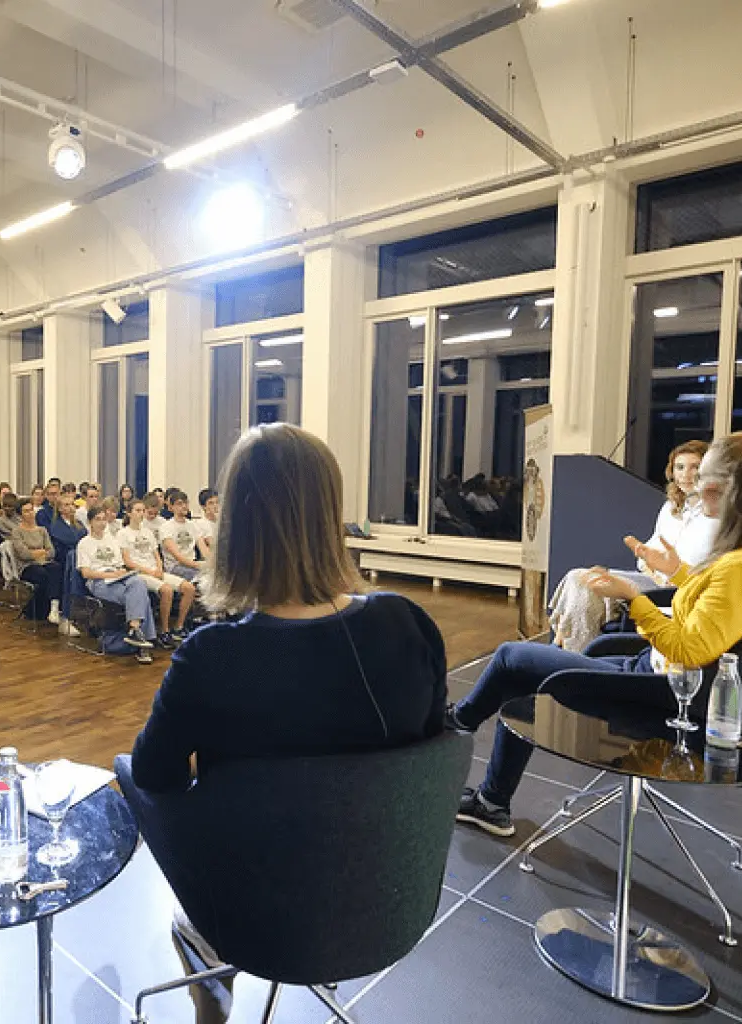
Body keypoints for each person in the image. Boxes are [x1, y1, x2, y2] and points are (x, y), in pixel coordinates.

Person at [129, 425, 446, 1024]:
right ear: (331, 513)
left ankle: (208, 974)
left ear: (239, 529)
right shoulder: (407, 626)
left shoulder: (212, 657)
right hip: (387, 903)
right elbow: (432, 747)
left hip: (253, 920)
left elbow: (154, 778)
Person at [452, 432, 742, 838]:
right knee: (533, 673)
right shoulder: (736, 560)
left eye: (706, 474)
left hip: (664, 690)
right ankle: (491, 800)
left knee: (511, 658)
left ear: (729, 488)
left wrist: (632, 598)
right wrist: (678, 573)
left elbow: (690, 649)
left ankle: (456, 727)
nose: (698, 485)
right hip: (653, 669)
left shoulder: (739, 568)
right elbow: (708, 616)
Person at [548, 440, 716, 651]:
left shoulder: (714, 516)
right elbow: (649, 552)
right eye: (680, 467)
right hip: (650, 577)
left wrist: (666, 570)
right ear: (671, 472)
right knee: (579, 576)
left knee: (590, 588)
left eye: (694, 467)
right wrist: (647, 561)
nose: (686, 474)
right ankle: (569, 643)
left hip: (675, 587)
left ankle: (571, 650)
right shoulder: (669, 508)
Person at [76, 507, 155, 664]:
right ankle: (143, 640)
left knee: (138, 582)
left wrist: (120, 573)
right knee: (139, 595)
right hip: (99, 581)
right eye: (98, 519)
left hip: (117, 578)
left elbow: (119, 564)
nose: (102, 523)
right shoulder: (84, 543)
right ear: (90, 522)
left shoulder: (111, 540)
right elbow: (86, 573)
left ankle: (135, 630)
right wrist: (109, 575)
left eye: (104, 519)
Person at [118, 499, 187, 647]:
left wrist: (159, 567)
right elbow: (127, 561)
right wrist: (149, 571)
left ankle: (178, 627)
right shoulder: (123, 533)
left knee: (188, 588)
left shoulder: (148, 532)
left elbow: (156, 554)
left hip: (155, 570)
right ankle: (164, 630)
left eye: (142, 510)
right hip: (139, 572)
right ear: (129, 513)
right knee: (167, 590)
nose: (141, 514)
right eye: (137, 510)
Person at [8, 497, 64, 624]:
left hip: (45, 563)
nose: (30, 513)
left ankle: (54, 608)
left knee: (56, 568)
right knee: (42, 575)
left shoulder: (42, 530)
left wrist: (36, 552)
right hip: (26, 566)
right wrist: (41, 552)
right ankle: (36, 609)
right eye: (26, 511)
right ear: (20, 514)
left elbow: (51, 551)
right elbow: (23, 554)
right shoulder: (17, 532)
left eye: (31, 510)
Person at [160, 489, 205, 584]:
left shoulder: (193, 525)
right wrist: (199, 565)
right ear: (171, 508)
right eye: (179, 504)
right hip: (175, 567)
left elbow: (203, 548)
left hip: (192, 563)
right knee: (204, 579)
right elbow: (178, 556)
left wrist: (211, 563)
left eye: (186, 503)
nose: (184, 506)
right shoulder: (166, 527)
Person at [195, 489, 219, 557]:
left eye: (217, 502)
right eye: (211, 503)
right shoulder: (200, 523)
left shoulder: (224, 522)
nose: (215, 506)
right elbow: (213, 544)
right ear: (203, 507)